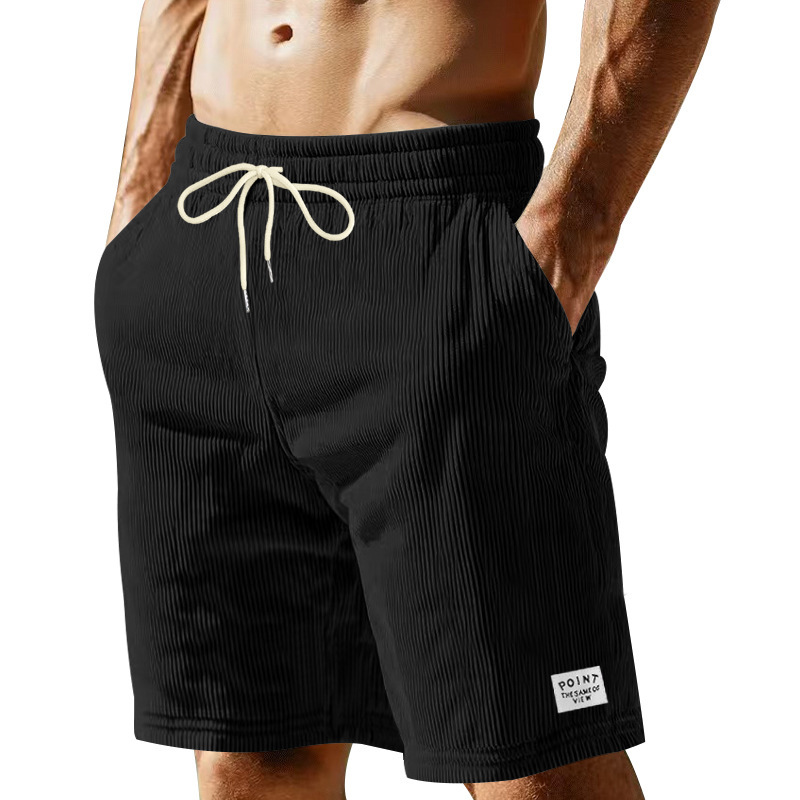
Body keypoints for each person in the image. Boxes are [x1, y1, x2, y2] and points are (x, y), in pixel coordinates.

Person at [95, 1, 718, 797]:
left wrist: (574, 228)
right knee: (253, 757)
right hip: (202, 229)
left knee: (534, 761)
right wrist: (141, 186)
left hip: (430, 235)